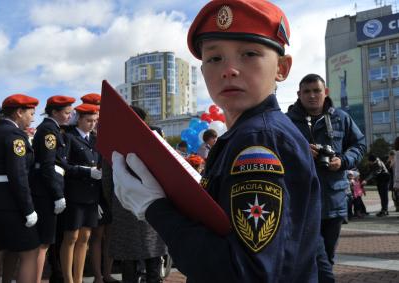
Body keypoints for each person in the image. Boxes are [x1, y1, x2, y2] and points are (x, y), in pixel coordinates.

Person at [111, 1, 321, 282]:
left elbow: (243, 273)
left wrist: (154, 208)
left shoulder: (259, 140)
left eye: (249, 54)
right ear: (202, 73)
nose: (229, 70)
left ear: (281, 68)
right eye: (214, 58)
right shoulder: (250, 133)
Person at [287, 73, 366, 280]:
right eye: (307, 92)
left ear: (326, 92)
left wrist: (343, 161)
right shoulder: (287, 121)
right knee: (305, 257)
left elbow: (360, 145)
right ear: (299, 94)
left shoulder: (341, 118)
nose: (312, 96)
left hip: (333, 201)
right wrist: (300, 150)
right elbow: (274, 151)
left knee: (327, 257)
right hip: (299, 203)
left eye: (317, 91)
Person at [0, 94, 40, 283]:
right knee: (30, 254)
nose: (33, 118)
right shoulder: (14, 136)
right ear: (19, 113)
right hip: (9, 204)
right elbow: (18, 175)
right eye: (31, 113)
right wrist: (28, 209)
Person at [108, 105, 167, 283]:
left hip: (124, 200)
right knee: (152, 251)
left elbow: (106, 177)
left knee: (130, 254)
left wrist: (113, 199)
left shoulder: (113, 139)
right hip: (152, 198)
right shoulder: (153, 136)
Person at [30, 95, 76, 283]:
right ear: (55, 112)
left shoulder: (52, 129)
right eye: (66, 112)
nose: (69, 116)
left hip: (48, 189)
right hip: (46, 192)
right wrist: (57, 194)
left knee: (46, 242)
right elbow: (48, 166)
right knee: (43, 243)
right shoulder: (49, 131)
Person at [60, 103, 102, 283]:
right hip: (74, 193)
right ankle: (68, 279)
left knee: (85, 237)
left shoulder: (95, 139)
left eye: (95, 121)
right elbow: (63, 166)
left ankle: (78, 278)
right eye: (88, 120)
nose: (92, 124)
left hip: (91, 194)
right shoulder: (69, 137)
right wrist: (85, 171)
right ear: (79, 120)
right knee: (71, 237)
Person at [81, 93, 117, 283]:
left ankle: (106, 273)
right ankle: (97, 276)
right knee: (97, 234)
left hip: (109, 188)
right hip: (93, 189)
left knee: (109, 235)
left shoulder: (108, 129)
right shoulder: (87, 135)